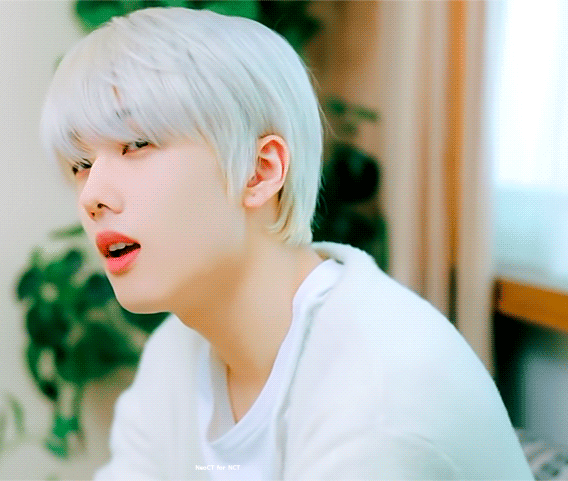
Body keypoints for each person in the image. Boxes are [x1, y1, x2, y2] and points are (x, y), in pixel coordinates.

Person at [40, 7, 533, 480]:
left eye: (136, 144)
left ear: (260, 171)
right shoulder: (176, 355)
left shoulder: (378, 392)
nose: (92, 196)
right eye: (82, 164)